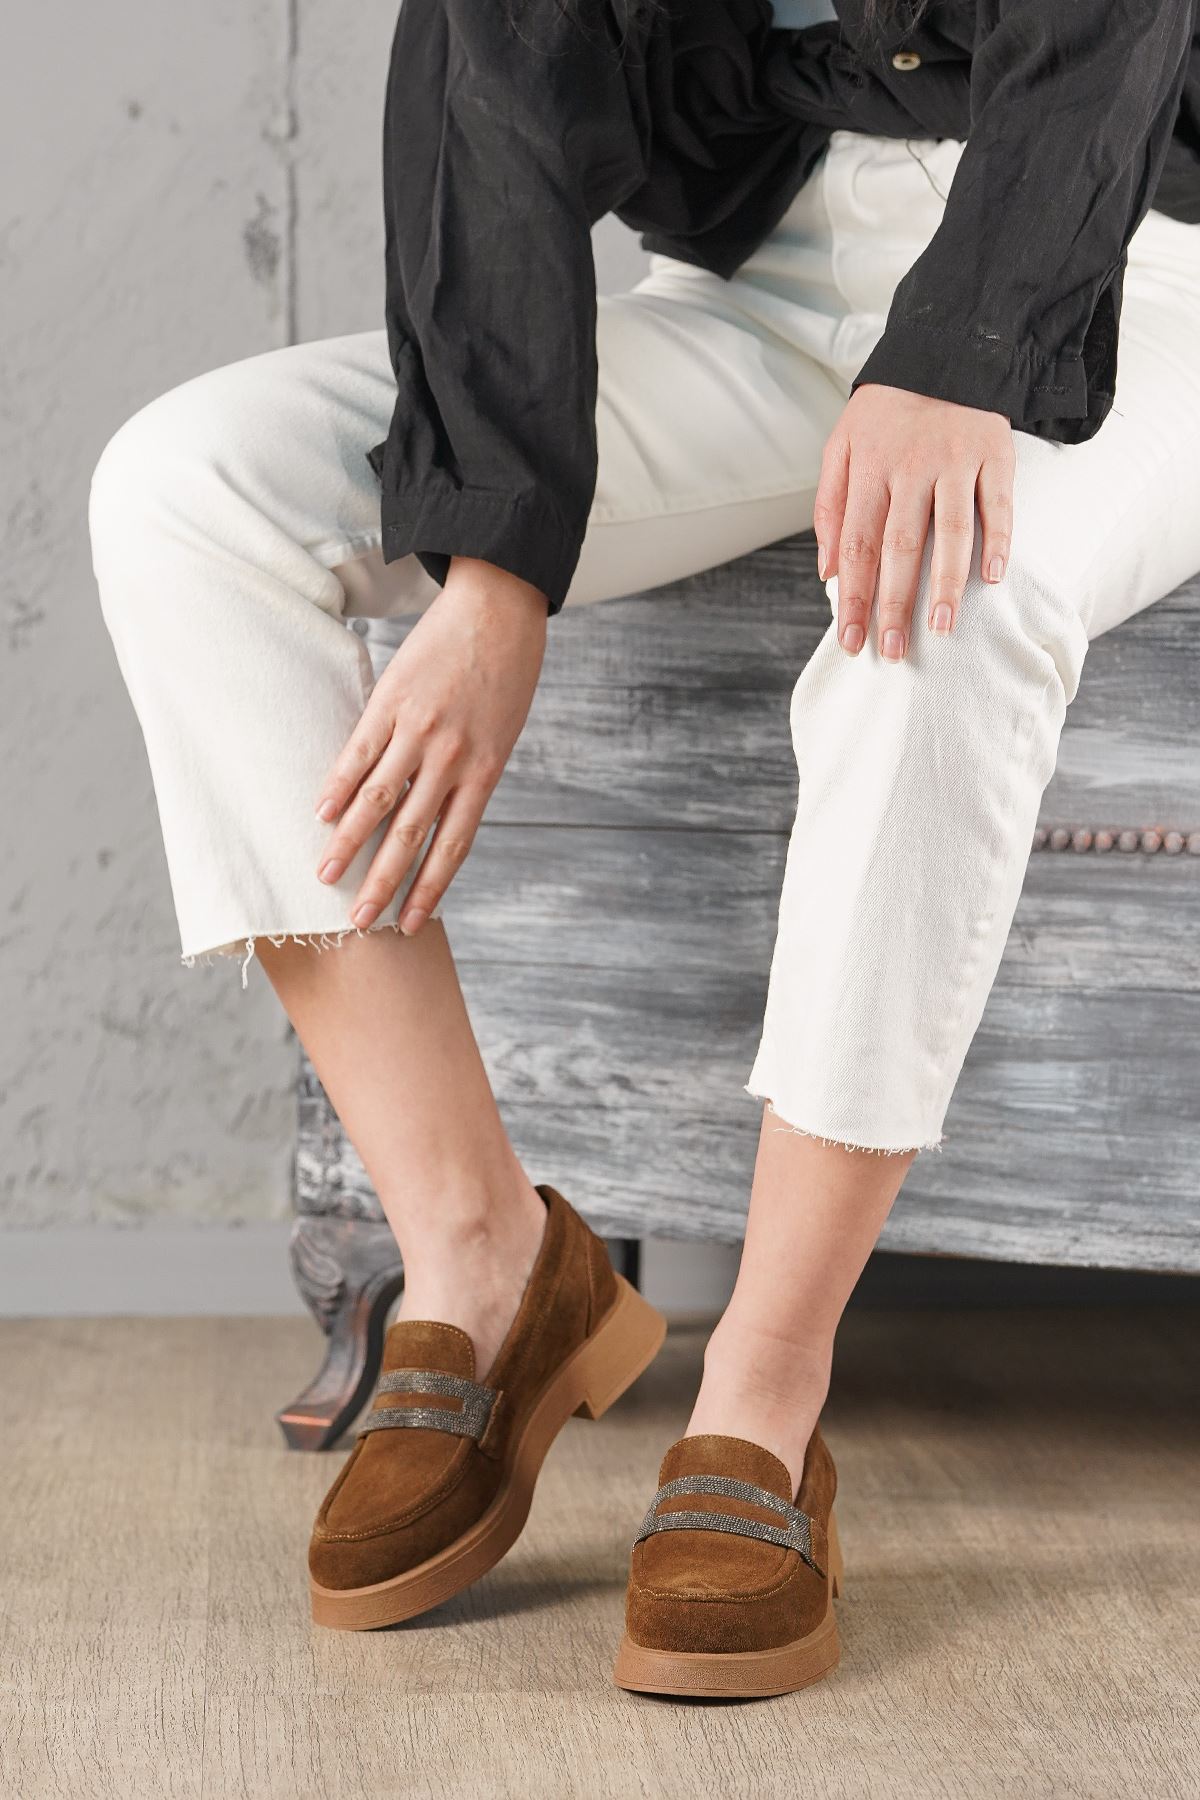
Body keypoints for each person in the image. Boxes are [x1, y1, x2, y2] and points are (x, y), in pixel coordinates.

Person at [88, 0, 1200, 1699]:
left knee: (941, 601)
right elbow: (500, 43)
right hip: (773, 254)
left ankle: (766, 1381)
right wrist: (496, 564)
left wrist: (971, 348)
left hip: (1133, 245)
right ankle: (483, 1257)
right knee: (185, 491)